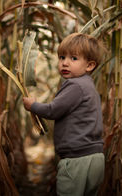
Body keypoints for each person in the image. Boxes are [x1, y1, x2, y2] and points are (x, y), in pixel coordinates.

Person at [23, 32, 105, 196]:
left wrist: (32, 105)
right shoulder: (89, 86)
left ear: (89, 66)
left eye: (73, 58)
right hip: (95, 159)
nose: (65, 63)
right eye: (61, 57)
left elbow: (53, 110)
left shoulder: (75, 86)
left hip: (76, 161)